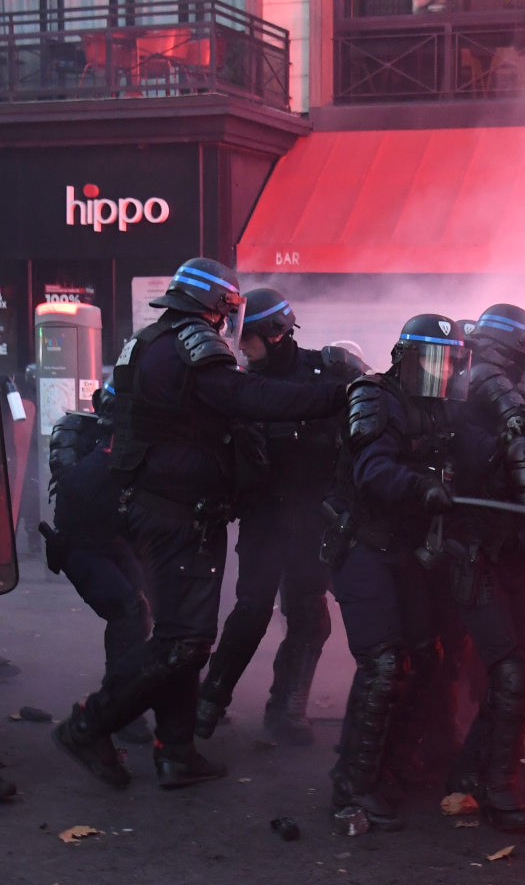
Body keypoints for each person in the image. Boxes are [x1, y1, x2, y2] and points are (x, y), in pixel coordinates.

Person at [51, 258, 345, 791]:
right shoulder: (192, 342)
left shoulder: (152, 339)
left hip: (166, 506)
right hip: (175, 512)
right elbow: (245, 397)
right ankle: (88, 724)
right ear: (219, 308)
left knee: (183, 637)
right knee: (182, 640)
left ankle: (178, 750)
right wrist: (337, 394)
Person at [194, 288, 363, 744]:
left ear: (275, 333)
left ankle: (288, 708)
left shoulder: (329, 373)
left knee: (309, 615)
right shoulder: (239, 382)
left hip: (314, 517)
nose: (241, 348)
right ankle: (208, 702)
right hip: (265, 515)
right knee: (251, 610)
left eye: (247, 337)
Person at [325, 314, 461, 833]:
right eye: (430, 360)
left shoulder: (440, 409)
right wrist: (420, 488)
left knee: (426, 657)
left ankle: (392, 765)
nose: (439, 371)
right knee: (383, 665)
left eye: (447, 362)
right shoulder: (375, 398)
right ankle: (352, 786)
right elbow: (373, 469)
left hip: (404, 551)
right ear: (404, 358)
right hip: (364, 546)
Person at [443, 304, 525, 831]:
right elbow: (518, 443)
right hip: (479, 552)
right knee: (511, 672)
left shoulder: (469, 384)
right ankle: (496, 786)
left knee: (516, 671)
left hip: (498, 549)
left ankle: (475, 773)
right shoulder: (489, 385)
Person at [40, 381, 153, 746]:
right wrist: (111, 441)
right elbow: (76, 488)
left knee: (155, 613)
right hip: (80, 544)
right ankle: (115, 707)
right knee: (127, 609)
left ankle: (148, 699)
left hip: (121, 542)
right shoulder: (75, 431)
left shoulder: (147, 435)